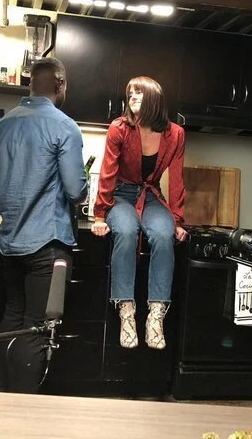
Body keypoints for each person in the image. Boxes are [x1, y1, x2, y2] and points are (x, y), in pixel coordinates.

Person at [0, 57, 87, 393]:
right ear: (60, 84)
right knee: (37, 327)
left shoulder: (1, 126)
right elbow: (75, 190)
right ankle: (23, 409)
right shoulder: (64, 126)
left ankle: (3, 397)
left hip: (10, 243)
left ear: (30, 83)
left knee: (12, 317)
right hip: (48, 244)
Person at [91, 76, 187, 350]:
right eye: (130, 93)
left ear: (154, 99)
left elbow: (177, 178)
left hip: (152, 195)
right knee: (126, 231)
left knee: (164, 234)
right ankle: (126, 312)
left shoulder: (175, 134)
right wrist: (100, 214)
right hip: (121, 194)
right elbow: (108, 172)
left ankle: (156, 316)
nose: (132, 97)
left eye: (139, 93)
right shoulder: (119, 128)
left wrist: (177, 219)